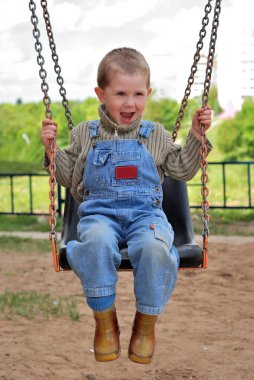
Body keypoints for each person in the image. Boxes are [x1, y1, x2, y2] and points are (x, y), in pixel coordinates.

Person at [41, 47, 212, 364]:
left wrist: (196, 136)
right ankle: (105, 322)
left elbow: (183, 170)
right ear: (101, 94)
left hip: (146, 217)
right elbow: (66, 177)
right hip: (99, 217)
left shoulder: (155, 135)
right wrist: (52, 151)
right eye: (120, 93)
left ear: (147, 93)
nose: (130, 103)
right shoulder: (85, 134)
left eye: (137, 94)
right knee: (94, 244)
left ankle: (145, 325)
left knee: (155, 247)